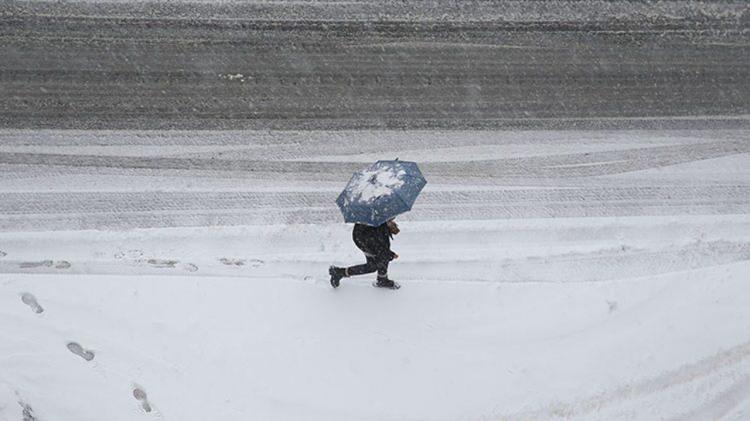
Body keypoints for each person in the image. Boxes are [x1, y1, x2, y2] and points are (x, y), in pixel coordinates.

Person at [329, 219, 400, 289]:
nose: (393, 220)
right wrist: (391, 255)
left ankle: (382, 279)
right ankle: (339, 272)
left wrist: (388, 226)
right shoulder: (377, 223)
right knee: (374, 265)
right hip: (363, 239)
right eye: (391, 220)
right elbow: (380, 249)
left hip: (366, 235)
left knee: (380, 258)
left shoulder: (380, 220)